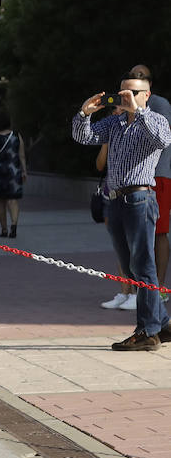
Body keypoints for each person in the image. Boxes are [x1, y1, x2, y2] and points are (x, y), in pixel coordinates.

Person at [73, 73, 171, 351]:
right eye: (121, 92)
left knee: (144, 265)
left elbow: (162, 140)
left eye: (132, 93)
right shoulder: (115, 123)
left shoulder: (155, 120)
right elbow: (84, 137)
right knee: (130, 268)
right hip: (115, 199)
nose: (124, 97)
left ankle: (147, 331)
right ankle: (161, 323)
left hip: (140, 199)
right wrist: (84, 113)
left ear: (146, 95)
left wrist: (137, 111)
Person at [129, 65, 171, 302]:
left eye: (142, 77)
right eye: (133, 76)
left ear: (149, 84)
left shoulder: (160, 105)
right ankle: (139, 286)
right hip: (136, 179)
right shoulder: (127, 105)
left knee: (160, 232)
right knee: (137, 234)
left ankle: (160, 287)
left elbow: (162, 138)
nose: (137, 80)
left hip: (160, 176)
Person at [96, 140, 136, 311]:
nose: (118, 111)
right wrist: (106, 144)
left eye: (121, 109)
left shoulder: (137, 131)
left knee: (133, 246)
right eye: (115, 110)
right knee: (119, 246)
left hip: (133, 196)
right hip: (110, 196)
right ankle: (125, 292)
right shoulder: (112, 132)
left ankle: (137, 293)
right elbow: (99, 165)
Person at [0, 109, 27, 238]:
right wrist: (24, 171)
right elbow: (22, 155)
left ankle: (4, 229)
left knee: (0, 201)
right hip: (13, 171)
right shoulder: (16, 136)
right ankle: (14, 224)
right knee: (13, 200)